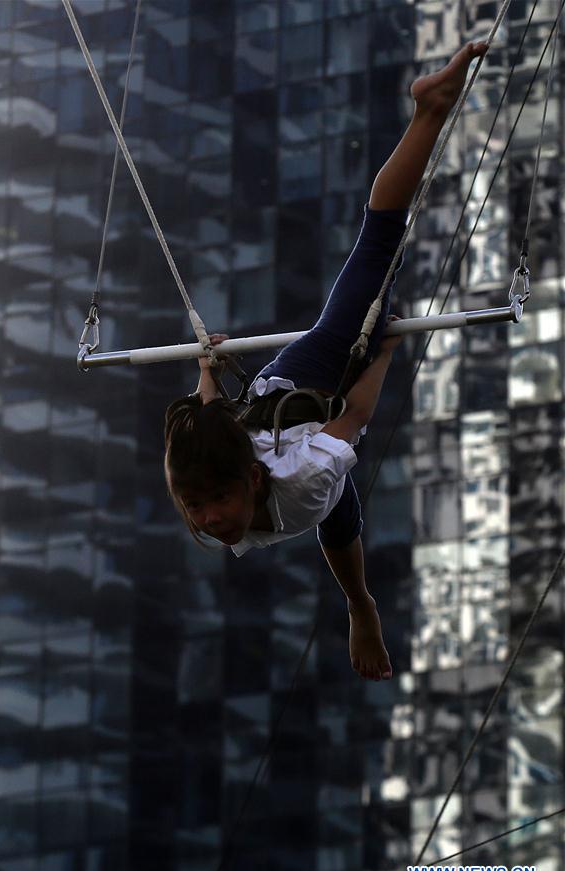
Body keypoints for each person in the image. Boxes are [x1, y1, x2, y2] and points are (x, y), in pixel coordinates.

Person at [165, 43, 488, 681]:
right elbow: (215, 430)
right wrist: (206, 375)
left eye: (214, 503)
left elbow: (355, 411)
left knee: (377, 255)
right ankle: (360, 604)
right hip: (293, 461)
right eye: (197, 508)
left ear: (252, 481)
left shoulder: (298, 479)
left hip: (305, 387)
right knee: (334, 517)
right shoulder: (246, 485)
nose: (209, 519)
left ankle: (427, 111)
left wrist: (381, 349)